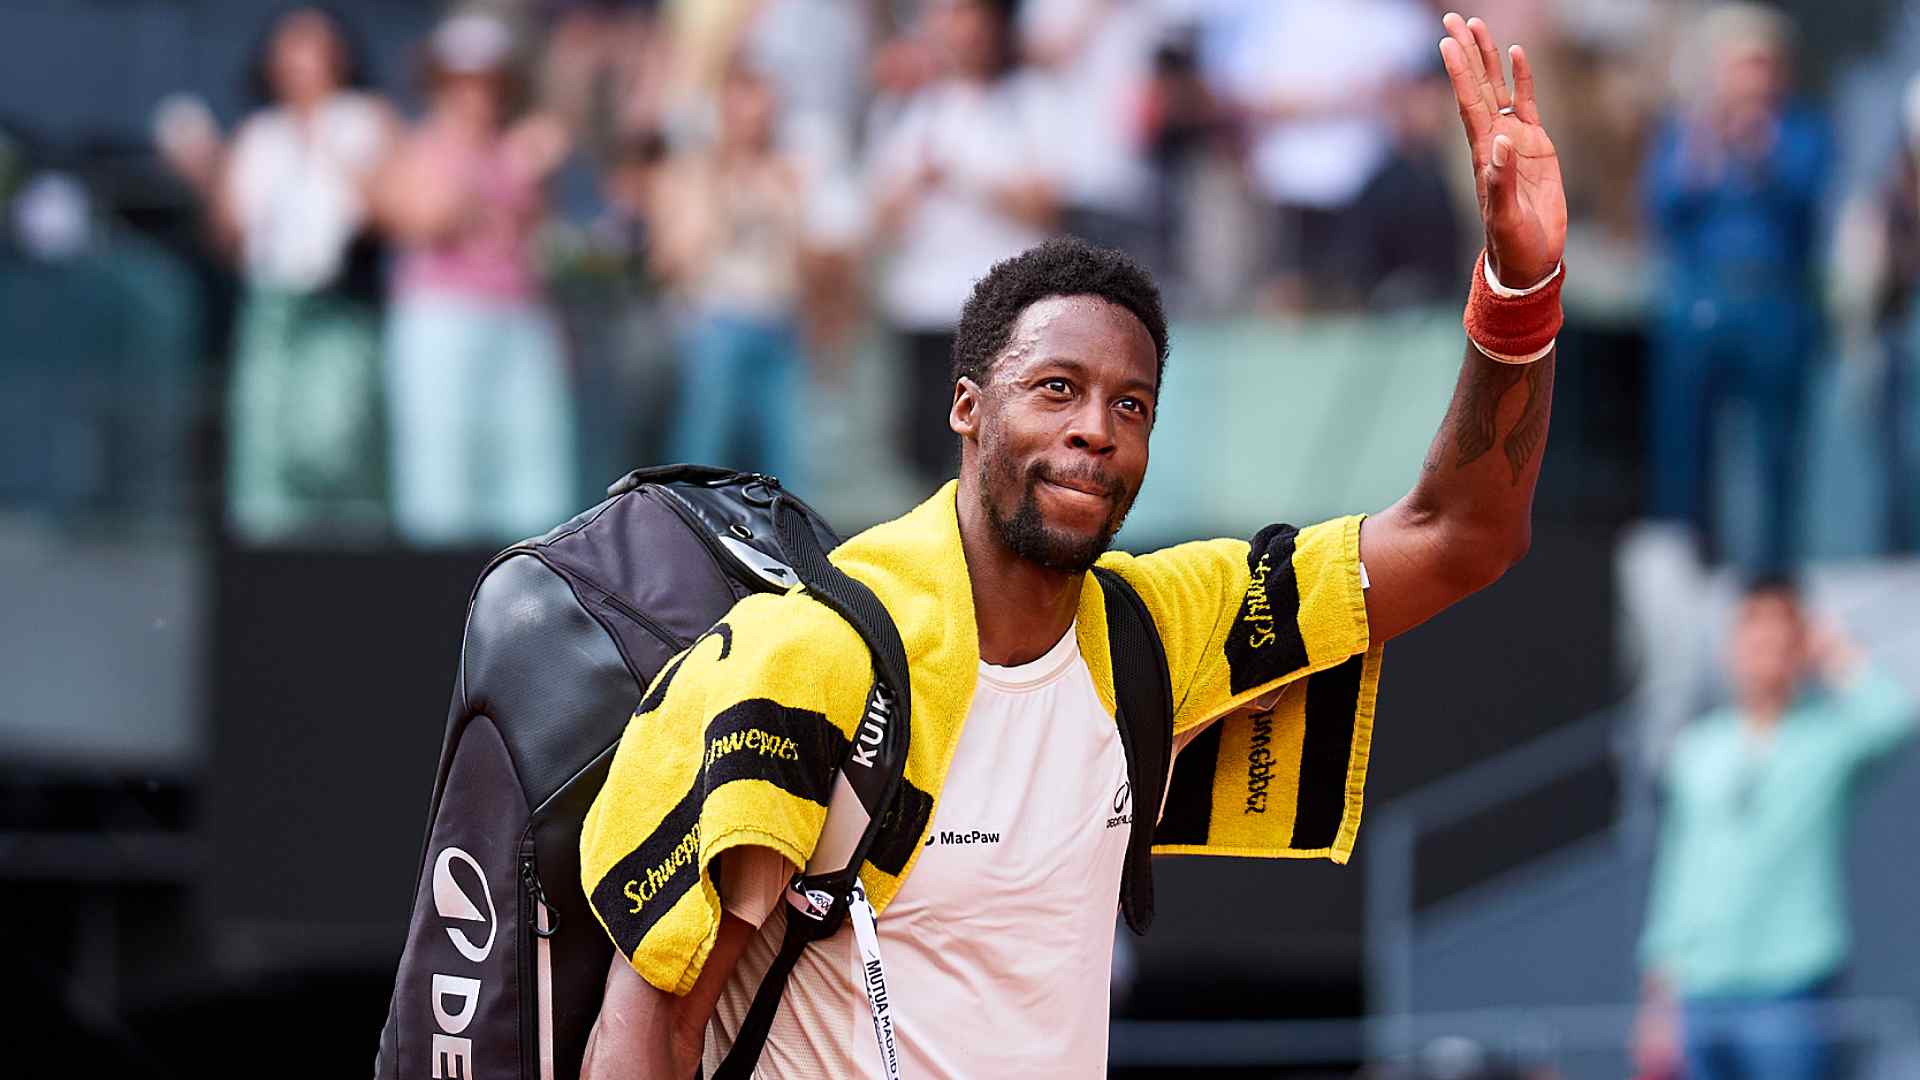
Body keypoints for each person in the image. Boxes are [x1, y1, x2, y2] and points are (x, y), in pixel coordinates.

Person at [579, 12, 1567, 1076]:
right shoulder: (819, 654)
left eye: (1131, 404)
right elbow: (650, 1024)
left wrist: (1518, 289)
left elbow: (1461, 535)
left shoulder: (1159, 628)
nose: (1096, 427)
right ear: (966, 408)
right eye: (1057, 389)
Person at [1633, 578, 1915, 1080]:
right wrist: (1659, 992)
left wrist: (1830, 646)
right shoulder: (1698, 749)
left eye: (1779, 640)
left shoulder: (1827, 738)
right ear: (1731, 649)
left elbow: (1895, 715)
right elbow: (1679, 872)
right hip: (1701, 988)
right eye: (1753, 638)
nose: (1765, 654)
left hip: (1790, 984)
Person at [156, 5, 395, 542]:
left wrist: (332, 157)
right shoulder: (259, 133)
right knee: (266, 444)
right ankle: (267, 563)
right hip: (271, 304)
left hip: (337, 305)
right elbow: (230, 238)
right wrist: (206, 174)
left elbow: (385, 208)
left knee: (339, 439)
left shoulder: (365, 117)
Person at [370, 11, 577, 545]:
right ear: (440, 81)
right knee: (442, 474)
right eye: (465, 79)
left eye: (491, 79)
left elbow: (543, 242)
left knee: (534, 470)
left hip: (520, 316)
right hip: (443, 318)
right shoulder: (420, 146)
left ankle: (532, 603)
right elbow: (422, 219)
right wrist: (498, 172)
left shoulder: (523, 150)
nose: (480, 93)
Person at [1641, 4, 1829, 574]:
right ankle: (1692, 558)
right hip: (1701, 304)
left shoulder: (1801, 130)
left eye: (1761, 65)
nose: (1751, 79)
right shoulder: (1687, 132)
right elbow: (1662, 208)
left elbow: (1807, 198)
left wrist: (1759, 148)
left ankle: (1773, 572)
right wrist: (1705, 150)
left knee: (1776, 449)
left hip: (1773, 303)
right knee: (1686, 444)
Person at [866, 0, 1063, 491]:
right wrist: (914, 185)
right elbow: (879, 218)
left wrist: (966, 177)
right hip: (923, 302)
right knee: (923, 447)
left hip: (1002, 305)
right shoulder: (906, 109)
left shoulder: (1029, 102)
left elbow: (1047, 203)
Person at [650, 59, 814, 487]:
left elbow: (802, 262)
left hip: (779, 324)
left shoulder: (786, 172)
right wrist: (716, 200)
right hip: (717, 323)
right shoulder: (692, 173)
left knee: (786, 462)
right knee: (703, 454)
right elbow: (668, 260)